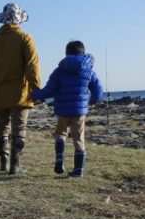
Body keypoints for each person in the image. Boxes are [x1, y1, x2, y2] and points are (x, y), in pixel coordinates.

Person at [0, 2, 41, 174]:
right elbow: (32, 66)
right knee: (19, 129)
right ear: (19, 20)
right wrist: (37, 89)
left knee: (2, 128)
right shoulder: (25, 38)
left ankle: (4, 162)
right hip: (20, 93)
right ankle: (15, 164)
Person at [31, 40, 104, 178]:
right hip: (79, 111)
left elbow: (49, 90)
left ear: (66, 53)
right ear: (83, 52)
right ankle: (78, 170)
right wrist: (92, 101)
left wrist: (34, 95)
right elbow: (98, 89)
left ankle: (59, 159)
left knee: (60, 134)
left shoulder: (59, 70)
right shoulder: (89, 71)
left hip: (62, 109)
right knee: (78, 139)